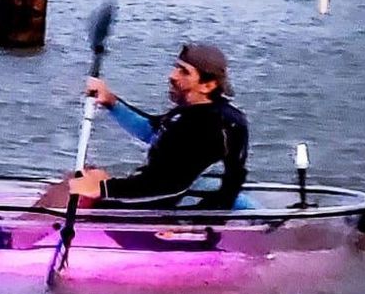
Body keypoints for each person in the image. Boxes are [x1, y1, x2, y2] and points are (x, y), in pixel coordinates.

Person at [68, 43, 249, 209]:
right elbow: (153, 131)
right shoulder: (190, 114)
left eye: (184, 72)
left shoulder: (209, 127)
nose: (172, 75)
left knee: (74, 193)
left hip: (186, 215)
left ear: (208, 85)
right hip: (168, 197)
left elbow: (166, 186)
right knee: (76, 181)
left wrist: (104, 188)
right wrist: (110, 102)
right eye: (176, 67)